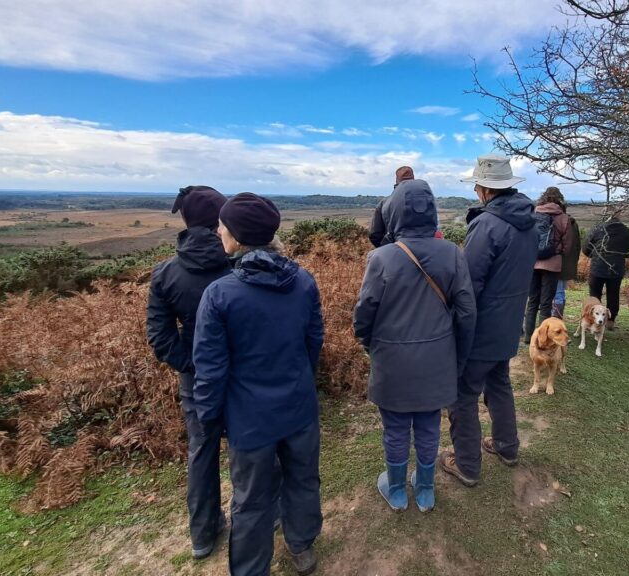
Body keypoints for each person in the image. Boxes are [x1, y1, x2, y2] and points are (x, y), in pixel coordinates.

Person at [193, 193, 324, 576]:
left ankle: (252, 568)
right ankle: (302, 547)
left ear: (237, 236)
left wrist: (209, 418)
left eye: (223, 225)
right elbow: (313, 342)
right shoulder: (302, 281)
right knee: (303, 478)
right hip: (299, 405)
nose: (218, 230)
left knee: (251, 500)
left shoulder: (220, 294)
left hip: (250, 420)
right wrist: (298, 380)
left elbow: (210, 370)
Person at [353, 179, 476, 512]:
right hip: (437, 359)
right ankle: (424, 490)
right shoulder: (452, 253)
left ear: (394, 213)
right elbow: (466, 314)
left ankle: (395, 491)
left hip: (391, 360)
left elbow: (364, 314)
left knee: (394, 428)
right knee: (428, 425)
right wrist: (458, 360)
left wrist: (370, 345)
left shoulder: (380, 258)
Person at [439, 153, 538, 487]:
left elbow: (469, 285)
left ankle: (466, 464)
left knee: (462, 395)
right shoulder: (529, 221)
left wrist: (453, 325)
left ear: (483, 188)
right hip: (510, 322)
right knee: (499, 383)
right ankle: (507, 447)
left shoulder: (486, 224)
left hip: (483, 328)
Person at [146, 185, 230, 560]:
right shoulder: (238, 263)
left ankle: (203, 534)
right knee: (256, 447)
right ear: (220, 222)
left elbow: (160, 337)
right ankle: (267, 515)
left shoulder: (166, 273)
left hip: (196, 380)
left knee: (201, 452)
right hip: (244, 374)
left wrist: (192, 365)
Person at [523, 187, 574, 343]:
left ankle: (528, 338)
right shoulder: (564, 218)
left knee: (532, 301)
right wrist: (557, 252)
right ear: (560, 199)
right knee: (546, 304)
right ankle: (541, 340)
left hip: (532, 262)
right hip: (552, 265)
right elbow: (568, 246)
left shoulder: (534, 214)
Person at [582, 214, 629, 328]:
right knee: (613, 294)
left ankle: (594, 320)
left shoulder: (597, 229)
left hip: (597, 267)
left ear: (606, 216)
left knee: (595, 296)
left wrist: (595, 255)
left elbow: (586, 248)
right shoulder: (626, 231)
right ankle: (611, 320)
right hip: (616, 268)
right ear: (619, 217)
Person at [551, 190, 581, 319]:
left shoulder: (544, 219)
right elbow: (576, 246)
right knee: (559, 293)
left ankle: (549, 324)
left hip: (546, 262)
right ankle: (557, 321)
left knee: (545, 294)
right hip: (565, 263)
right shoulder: (571, 222)